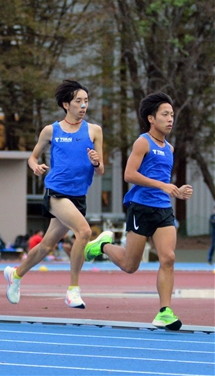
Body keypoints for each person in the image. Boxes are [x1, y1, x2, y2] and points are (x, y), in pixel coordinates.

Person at [84, 92, 193, 330]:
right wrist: (163, 186)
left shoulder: (170, 148)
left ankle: (164, 311)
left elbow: (164, 179)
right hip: (141, 208)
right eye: (165, 114)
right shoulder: (143, 142)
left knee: (169, 258)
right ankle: (101, 245)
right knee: (130, 265)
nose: (170, 119)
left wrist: (178, 191)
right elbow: (129, 175)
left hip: (163, 209)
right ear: (151, 118)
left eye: (172, 115)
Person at [4, 79, 104, 309]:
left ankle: (15, 275)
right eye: (78, 101)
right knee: (84, 231)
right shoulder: (51, 130)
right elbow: (32, 157)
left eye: (86, 101)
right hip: (56, 192)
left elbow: (100, 171)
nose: (83, 106)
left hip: (79, 196)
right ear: (65, 104)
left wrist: (96, 162)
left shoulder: (94, 131)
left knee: (46, 246)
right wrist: (35, 166)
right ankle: (73, 290)